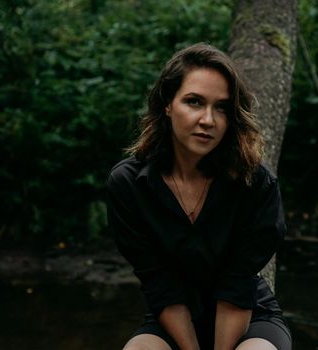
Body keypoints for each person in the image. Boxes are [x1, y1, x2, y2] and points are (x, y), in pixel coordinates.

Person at [106, 43, 291, 350]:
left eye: (221, 107)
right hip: (173, 319)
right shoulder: (128, 184)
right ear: (168, 104)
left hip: (249, 321)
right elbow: (159, 283)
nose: (208, 119)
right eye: (194, 102)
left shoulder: (255, 183)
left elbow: (237, 285)